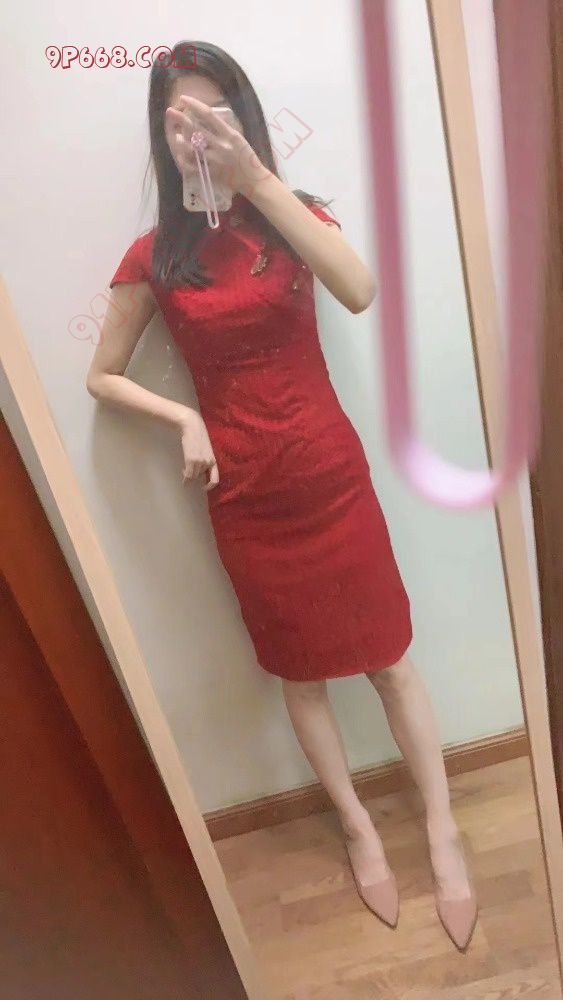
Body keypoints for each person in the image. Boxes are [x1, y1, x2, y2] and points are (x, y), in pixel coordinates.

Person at [86, 40, 477, 949]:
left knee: (390, 661)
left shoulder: (293, 218)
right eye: (178, 119)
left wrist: (256, 181)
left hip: (330, 478)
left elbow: (360, 289)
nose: (195, 132)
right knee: (300, 678)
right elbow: (101, 376)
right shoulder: (153, 256)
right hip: (245, 497)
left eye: (213, 113)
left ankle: (442, 827)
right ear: (159, 134)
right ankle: (356, 825)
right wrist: (182, 418)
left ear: (244, 118)